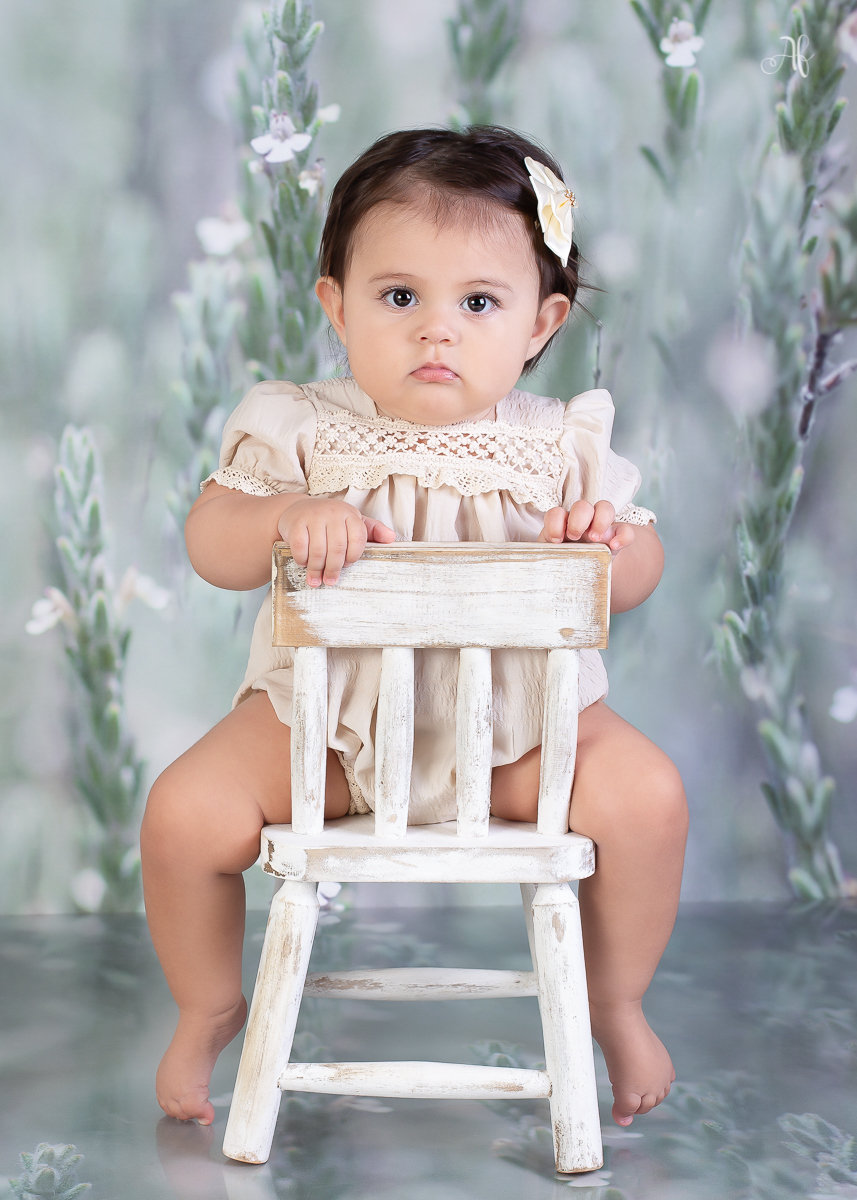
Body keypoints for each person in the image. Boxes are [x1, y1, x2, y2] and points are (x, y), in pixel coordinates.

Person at [141, 125, 688, 1133]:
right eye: (399, 298)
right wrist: (281, 517)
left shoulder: (558, 444)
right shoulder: (301, 428)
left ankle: (615, 1003)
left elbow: (642, 566)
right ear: (336, 305)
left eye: (477, 303)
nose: (437, 331)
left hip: (519, 741)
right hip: (322, 736)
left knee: (647, 798)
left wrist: (603, 541)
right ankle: (206, 1003)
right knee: (182, 814)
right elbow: (211, 543)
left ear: (539, 322)